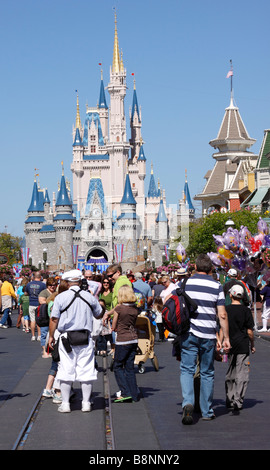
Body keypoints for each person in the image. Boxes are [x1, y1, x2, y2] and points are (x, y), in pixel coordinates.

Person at [179, 254, 231, 424]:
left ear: (195, 267)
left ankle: (188, 402)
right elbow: (222, 314)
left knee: (187, 369)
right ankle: (207, 411)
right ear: (210, 269)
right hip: (208, 335)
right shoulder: (217, 286)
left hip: (189, 333)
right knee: (207, 372)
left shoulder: (185, 283)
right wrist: (226, 337)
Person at [48, 269, 104, 413]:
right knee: (86, 370)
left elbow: (54, 319)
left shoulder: (61, 297)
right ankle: (86, 403)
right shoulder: (89, 296)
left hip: (67, 338)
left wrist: (50, 336)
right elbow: (98, 315)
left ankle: (65, 404)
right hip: (85, 337)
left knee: (66, 369)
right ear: (80, 281)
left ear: (67, 283)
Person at [224, 284, 255, 411]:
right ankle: (238, 399)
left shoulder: (225, 310)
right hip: (242, 344)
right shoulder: (246, 311)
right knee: (242, 373)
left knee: (231, 372)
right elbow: (249, 331)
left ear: (230, 295)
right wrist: (252, 344)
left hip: (230, 344)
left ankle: (230, 397)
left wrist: (220, 342)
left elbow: (222, 327)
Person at [110, 284, 140, 402]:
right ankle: (134, 394)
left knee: (117, 366)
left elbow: (114, 325)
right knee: (129, 367)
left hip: (123, 340)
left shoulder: (119, 308)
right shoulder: (134, 309)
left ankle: (124, 391)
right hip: (134, 339)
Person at [42, 279, 69, 403]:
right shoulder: (60, 302)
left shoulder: (52, 300)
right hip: (59, 335)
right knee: (61, 363)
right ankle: (57, 390)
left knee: (55, 362)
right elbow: (54, 319)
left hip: (53, 334)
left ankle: (48, 388)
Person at [38, 277, 58, 358]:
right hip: (45, 316)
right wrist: (52, 302)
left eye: (54, 285)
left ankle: (51, 350)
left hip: (53, 317)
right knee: (44, 333)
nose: (52, 287)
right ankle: (44, 351)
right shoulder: (44, 292)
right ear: (47, 285)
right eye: (50, 285)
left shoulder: (57, 292)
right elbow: (41, 301)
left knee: (52, 334)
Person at [25, 272, 46, 341]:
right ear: (40, 277)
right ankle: (39, 336)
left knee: (32, 320)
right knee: (39, 320)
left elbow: (25, 293)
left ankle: (33, 336)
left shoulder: (29, 284)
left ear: (34, 277)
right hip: (39, 304)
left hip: (31, 303)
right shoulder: (42, 285)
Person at [96, 277, 113, 356]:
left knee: (110, 333)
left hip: (110, 314)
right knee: (101, 332)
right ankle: (102, 348)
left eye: (107, 283)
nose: (106, 284)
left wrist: (109, 314)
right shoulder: (101, 293)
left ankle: (112, 348)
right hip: (102, 314)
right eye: (104, 283)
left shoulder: (112, 293)